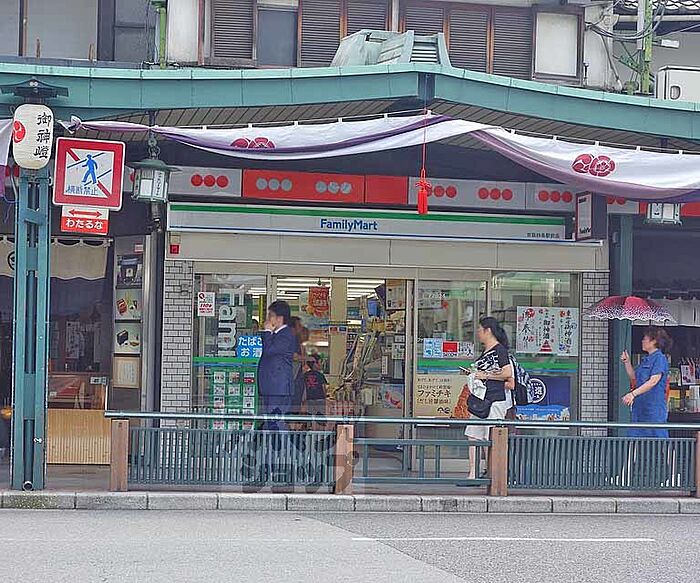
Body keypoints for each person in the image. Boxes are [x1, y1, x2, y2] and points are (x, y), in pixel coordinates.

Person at [462, 317, 513, 480]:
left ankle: (492, 473)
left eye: (479, 329)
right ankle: (473, 472)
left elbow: (507, 373)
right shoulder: (486, 351)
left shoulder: (500, 350)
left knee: (489, 436)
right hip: (480, 399)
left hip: (494, 400)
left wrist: (485, 375)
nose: (477, 333)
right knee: (473, 434)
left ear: (487, 330)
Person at [621, 327, 672, 438]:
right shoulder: (646, 359)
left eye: (645, 338)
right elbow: (634, 376)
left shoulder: (659, 358)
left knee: (656, 440)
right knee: (636, 439)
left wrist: (632, 394)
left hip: (653, 409)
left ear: (654, 341)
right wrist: (627, 362)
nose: (642, 341)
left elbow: (653, 381)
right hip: (640, 408)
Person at [257, 301, 297, 431]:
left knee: (276, 423)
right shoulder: (277, 335)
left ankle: (280, 445)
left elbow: (269, 351)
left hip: (279, 388)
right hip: (272, 387)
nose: (268, 319)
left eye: (271, 315)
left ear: (280, 318)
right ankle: (274, 444)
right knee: (271, 422)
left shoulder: (286, 335)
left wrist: (267, 331)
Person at [303, 355, 328, 430]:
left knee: (309, 417)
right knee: (320, 418)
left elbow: (304, 388)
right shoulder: (320, 375)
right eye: (319, 362)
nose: (321, 364)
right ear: (315, 364)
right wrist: (325, 396)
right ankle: (320, 432)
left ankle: (309, 430)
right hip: (320, 398)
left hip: (309, 399)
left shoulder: (305, 375)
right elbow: (324, 388)